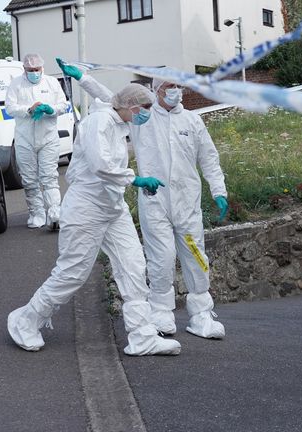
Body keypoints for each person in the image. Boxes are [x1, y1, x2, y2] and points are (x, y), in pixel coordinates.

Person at [7, 82, 181, 356]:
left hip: (113, 207)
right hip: (85, 207)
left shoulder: (121, 124)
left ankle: (142, 336)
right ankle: (26, 320)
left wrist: (132, 181)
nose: (147, 113)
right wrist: (135, 178)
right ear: (131, 106)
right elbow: (102, 165)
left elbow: (112, 168)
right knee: (72, 273)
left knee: (133, 267)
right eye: (145, 108)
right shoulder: (99, 121)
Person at [57, 60, 228, 339]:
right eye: (171, 86)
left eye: (179, 86)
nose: (177, 91)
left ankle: (202, 314)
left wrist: (219, 191)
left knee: (196, 255)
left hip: (187, 202)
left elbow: (208, 158)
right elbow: (112, 99)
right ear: (158, 90)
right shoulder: (143, 117)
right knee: (160, 258)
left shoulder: (192, 121)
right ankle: (160, 312)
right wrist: (84, 78)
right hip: (155, 200)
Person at [5, 53, 68, 230]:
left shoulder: (52, 83)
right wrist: (28, 110)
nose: (34, 73)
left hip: (48, 137)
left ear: (42, 68)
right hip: (25, 139)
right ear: (24, 69)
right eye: (30, 70)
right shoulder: (16, 84)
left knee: (49, 177)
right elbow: (9, 107)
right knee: (29, 179)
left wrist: (50, 109)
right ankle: (36, 213)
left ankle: (55, 212)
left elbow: (63, 105)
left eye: (36, 70)